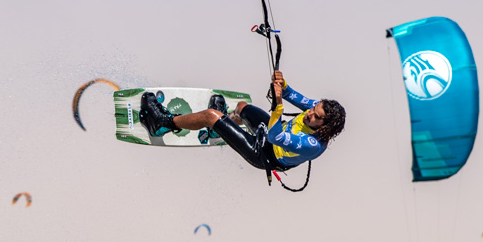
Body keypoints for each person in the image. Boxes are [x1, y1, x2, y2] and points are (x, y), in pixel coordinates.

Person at [139, 71, 345, 172]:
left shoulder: (313, 145)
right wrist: (282, 83)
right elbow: (291, 93)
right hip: (272, 133)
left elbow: (275, 137)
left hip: (265, 155)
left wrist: (278, 104)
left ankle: (163, 124)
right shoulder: (314, 109)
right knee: (241, 107)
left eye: (317, 117)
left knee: (211, 115)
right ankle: (220, 128)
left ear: (324, 126)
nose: (310, 114)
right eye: (313, 110)